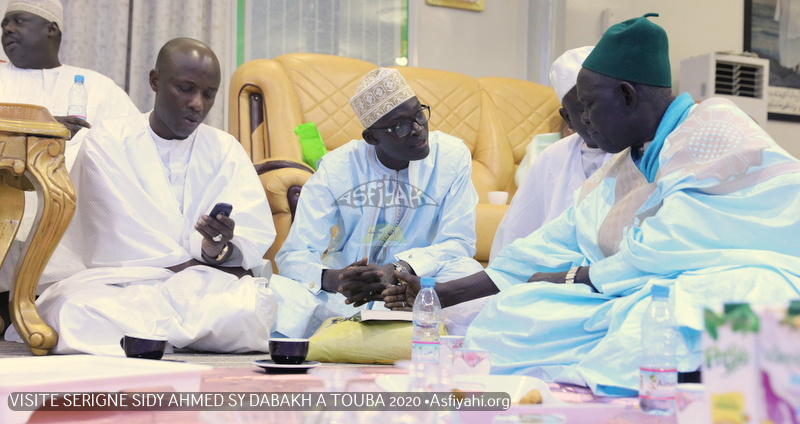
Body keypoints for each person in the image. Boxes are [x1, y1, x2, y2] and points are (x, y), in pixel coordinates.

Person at [382, 13, 800, 395]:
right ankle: (649, 369)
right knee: (515, 314)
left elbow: (669, 246)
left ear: (627, 96)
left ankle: (698, 379)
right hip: (632, 288)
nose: (582, 122)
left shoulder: (713, 128)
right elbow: (548, 245)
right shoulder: (628, 160)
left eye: (589, 106)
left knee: (686, 305)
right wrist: (436, 292)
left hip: (751, 278)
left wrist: (574, 277)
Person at [6, 38, 279, 355]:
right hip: (121, 285)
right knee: (73, 310)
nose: (197, 104)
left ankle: (149, 337)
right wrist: (186, 261)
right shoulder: (108, 139)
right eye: (185, 88)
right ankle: (182, 335)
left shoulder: (224, 147)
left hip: (199, 283)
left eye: (208, 94)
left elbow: (247, 238)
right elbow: (112, 238)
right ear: (155, 81)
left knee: (250, 308)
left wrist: (215, 249)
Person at [271, 67, 485, 338]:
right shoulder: (336, 167)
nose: (419, 129)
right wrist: (335, 279)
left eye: (419, 113)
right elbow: (294, 254)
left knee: (469, 278)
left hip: (419, 283)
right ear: (372, 138)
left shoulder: (452, 157)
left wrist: (401, 269)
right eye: (401, 125)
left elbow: (459, 241)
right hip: (348, 292)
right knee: (284, 292)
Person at [0, 0, 140, 323]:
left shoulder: (96, 87)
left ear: (52, 29)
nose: (7, 29)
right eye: (5, 24)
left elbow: (132, 147)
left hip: (72, 213)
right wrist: (44, 125)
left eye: (18, 20)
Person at [490, 46, 612, 261]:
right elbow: (515, 235)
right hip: (549, 276)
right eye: (580, 108)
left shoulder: (639, 150)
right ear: (566, 118)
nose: (589, 116)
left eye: (597, 104)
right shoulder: (552, 157)